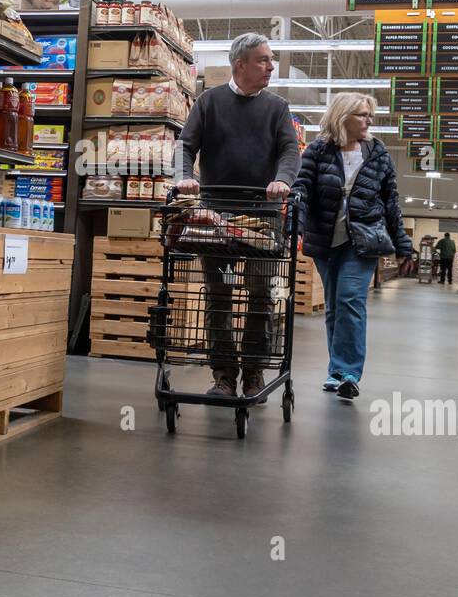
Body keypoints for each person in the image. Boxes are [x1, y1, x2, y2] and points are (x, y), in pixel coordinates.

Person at [175, 33, 300, 401]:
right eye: (263, 60)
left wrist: (281, 180)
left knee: (261, 294)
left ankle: (254, 373)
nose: (271, 66)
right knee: (218, 296)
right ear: (240, 64)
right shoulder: (209, 102)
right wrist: (185, 176)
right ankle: (224, 375)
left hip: (263, 217)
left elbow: (289, 150)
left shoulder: (277, 107)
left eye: (271, 59)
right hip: (216, 215)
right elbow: (186, 144)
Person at [292, 92, 415, 402]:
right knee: (334, 306)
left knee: (349, 299)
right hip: (324, 239)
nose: (369, 120)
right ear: (342, 116)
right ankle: (335, 371)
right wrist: (295, 224)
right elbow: (302, 189)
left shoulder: (377, 153)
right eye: (362, 114)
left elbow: (391, 203)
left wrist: (403, 246)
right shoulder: (319, 150)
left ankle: (349, 372)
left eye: (369, 115)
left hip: (363, 240)